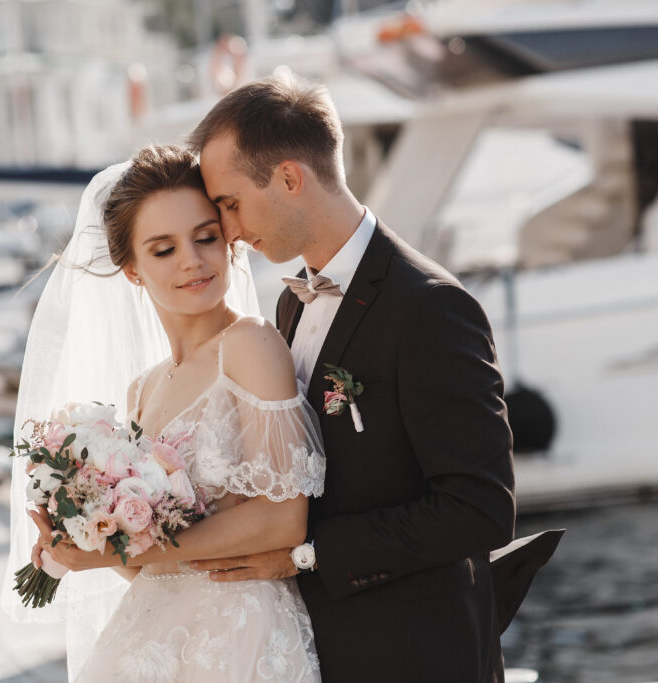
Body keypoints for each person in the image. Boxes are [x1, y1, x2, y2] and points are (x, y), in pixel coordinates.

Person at [184, 73, 517, 682]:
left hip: (418, 654)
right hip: (318, 651)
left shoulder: (430, 306)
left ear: (289, 178)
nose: (228, 230)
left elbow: (480, 509)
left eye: (230, 203)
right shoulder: (289, 306)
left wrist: (307, 555)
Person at [7, 145, 327, 682]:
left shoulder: (249, 344)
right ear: (132, 270)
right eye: (163, 249)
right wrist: (92, 532)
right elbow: (142, 568)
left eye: (206, 237)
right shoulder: (141, 391)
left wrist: (119, 550)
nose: (192, 261)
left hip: (241, 635)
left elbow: (284, 518)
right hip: (154, 641)